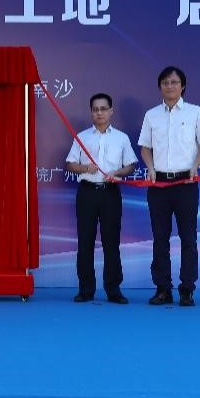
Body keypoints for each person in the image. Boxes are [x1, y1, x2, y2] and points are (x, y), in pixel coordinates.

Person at [138, 66, 200, 306]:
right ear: (160, 87)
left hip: (186, 182)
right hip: (158, 182)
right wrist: (150, 167)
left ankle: (187, 289)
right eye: (165, 83)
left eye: (174, 82)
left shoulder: (195, 112)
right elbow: (145, 147)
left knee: (188, 237)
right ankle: (163, 288)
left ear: (183, 86)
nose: (169, 86)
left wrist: (195, 165)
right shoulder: (151, 115)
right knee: (160, 238)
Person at [65, 93, 138, 304]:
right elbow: (69, 164)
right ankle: (86, 289)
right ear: (91, 112)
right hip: (87, 192)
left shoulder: (121, 138)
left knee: (111, 242)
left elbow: (131, 165)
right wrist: (84, 168)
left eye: (103, 109)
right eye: (95, 109)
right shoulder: (81, 137)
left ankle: (113, 289)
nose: (100, 113)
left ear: (111, 111)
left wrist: (118, 173)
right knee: (85, 241)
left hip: (110, 193)